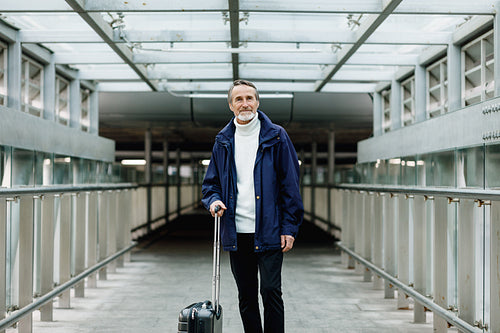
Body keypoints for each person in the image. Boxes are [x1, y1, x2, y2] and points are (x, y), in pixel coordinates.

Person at [201, 79, 304, 333]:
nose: (244, 103)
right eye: (239, 99)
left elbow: (290, 184)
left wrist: (289, 227)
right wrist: (213, 200)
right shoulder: (222, 141)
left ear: (257, 102)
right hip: (237, 231)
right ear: (230, 105)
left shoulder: (277, 136)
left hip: (270, 229)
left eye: (249, 98)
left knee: (270, 291)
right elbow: (210, 184)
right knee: (246, 295)